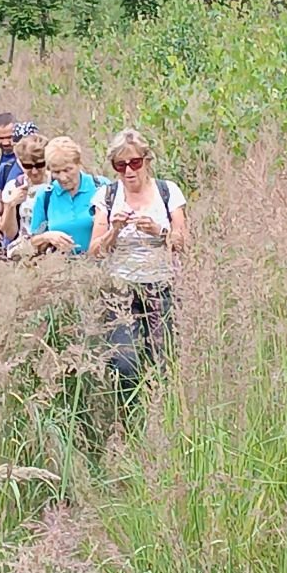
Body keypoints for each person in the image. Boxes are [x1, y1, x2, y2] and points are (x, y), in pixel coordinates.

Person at [88, 128, 187, 405]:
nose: (129, 171)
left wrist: (159, 231)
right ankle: (130, 414)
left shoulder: (168, 191)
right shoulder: (107, 196)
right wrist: (114, 230)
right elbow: (94, 251)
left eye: (135, 163)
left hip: (161, 287)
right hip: (120, 289)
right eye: (120, 166)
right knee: (124, 362)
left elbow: (183, 242)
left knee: (164, 360)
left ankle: (163, 413)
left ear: (147, 160)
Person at [29, 136, 108, 255]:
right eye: (56, 172)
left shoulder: (101, 187)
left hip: (99, 263)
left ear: (78, 164)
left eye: (67, 170)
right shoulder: (46, 195)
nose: (63, 178)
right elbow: (33, 241)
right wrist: (47, 237)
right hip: (61, 264)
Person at [0, 132, 50, 259]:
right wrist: (11, 205)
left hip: (53, 248)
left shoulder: (58, 183)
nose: (34, 171)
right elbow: (9, 234)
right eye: (28, 166)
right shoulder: (15, 186)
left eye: (40, 165)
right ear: (20, 163)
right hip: (26, 250)